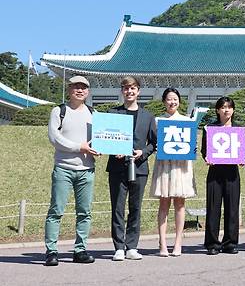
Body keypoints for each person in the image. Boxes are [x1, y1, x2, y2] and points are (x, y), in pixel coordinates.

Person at [44, 76, 99, 266]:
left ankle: (80, 249)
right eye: (76, 87)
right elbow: (54, 137)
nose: (80, 90)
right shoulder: (59, 111)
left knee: (85, 212)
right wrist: (79, 147)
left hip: (87, 169)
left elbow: (101, 138)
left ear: (88, 92)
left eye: (84, 87)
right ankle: (51, 251)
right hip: (64, 169)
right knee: (56, 210)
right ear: (69, 90)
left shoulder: (94, 113)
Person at [107, 76, 157, 261]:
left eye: (133, 88)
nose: (129, 91)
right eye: (126, 88)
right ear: (122, 91)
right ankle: (119, 246)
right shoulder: (113, 113)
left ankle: (132, 246)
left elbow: (154, 143)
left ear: (138, 91)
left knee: (135, 207)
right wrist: (114, 151)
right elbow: (106, 138)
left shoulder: (148, 116)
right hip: (117, 167)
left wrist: (142, 152)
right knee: (118, 207)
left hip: (139, 167)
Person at [150, 88, 196, 257]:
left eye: (175, 99)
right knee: (163, 203)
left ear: (179, 101)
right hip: (164, 165)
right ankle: (162, 242)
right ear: (164, 101)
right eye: (169, 99)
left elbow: (191, 144)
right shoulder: (158, 121)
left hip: (181, 165)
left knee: (180, 203)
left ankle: (178, 243)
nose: (172, 102)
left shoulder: (186, 121)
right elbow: (153, 142)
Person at [201, 97, 241, 255]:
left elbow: (241, 149)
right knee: (213, 207)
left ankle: (230, 242)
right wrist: (206, 157)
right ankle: (212, 243)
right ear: (217, 110)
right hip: (215, 172)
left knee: (232, 207)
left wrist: (242, 157)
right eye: (223, 107)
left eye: (229, 107)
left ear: (233, 110)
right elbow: (205, 150)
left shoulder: (239, 129)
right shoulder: (210, 128)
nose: (226, 110)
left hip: (232, 172)